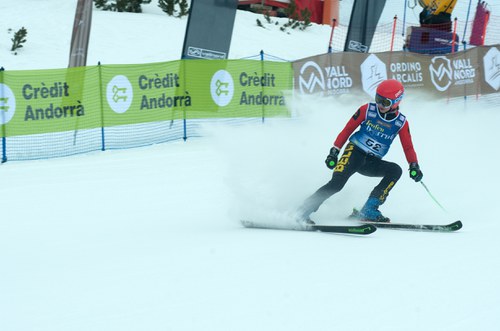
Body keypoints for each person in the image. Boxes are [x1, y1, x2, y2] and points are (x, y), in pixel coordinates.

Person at [297, 79, 423, 224]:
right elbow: (347, 129)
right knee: (336, 184)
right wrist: (334, 151)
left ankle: (369, 209)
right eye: (378, 99)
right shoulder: (367, 110)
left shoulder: (400, 122)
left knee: (395, 170)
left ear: (396, 102)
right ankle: (302, 211)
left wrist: (414, 165)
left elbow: (408, 147)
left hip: (372, 162)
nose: (380, 105)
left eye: (385, 102)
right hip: (354, 152)